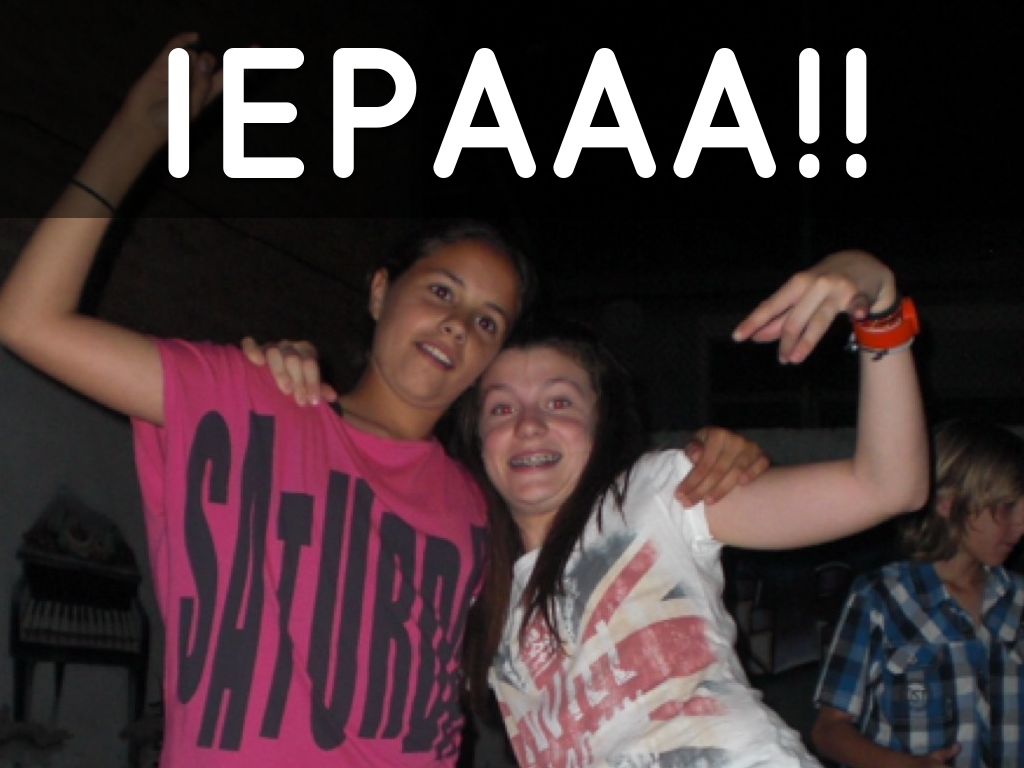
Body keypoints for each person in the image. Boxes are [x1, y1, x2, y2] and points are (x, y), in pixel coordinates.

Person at [0, 36, 765, 768]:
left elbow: (605, 551)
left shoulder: (477, 501)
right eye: (441, 292)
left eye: (487, 322)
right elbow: (28, 320)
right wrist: (133, 138)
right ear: (379, 291)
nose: (458, 326)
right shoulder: (243, 398)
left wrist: (713, 456)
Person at [449, 250, 929, 767]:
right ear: (477, 436)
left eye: (559, 401)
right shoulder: (475, 587)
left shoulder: (654, 494)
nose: (528, 424)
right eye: (501, 408)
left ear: (601, 422)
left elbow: (889, 486)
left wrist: (880, 306)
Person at [812, 419, 1024, 768]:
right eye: (1006, 508)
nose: (1020, 524)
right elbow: (829, 730)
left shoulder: (1017, 600)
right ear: (947, 503)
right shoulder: (880, 598)